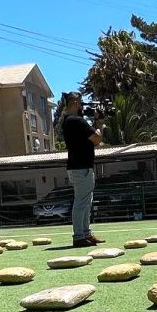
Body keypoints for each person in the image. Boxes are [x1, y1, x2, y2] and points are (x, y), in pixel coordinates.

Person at [61, 92, 106, 248]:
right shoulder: (75, 121)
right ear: (74, 103)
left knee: (86, 201)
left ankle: (86, 233)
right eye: (80, 102)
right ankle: (79, 236)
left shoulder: (70, 121)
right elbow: (97, 139)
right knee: (81, 202)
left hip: (80, 167)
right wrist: (99, 122)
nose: (82, 106)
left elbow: (91, 139)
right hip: (81, 168)